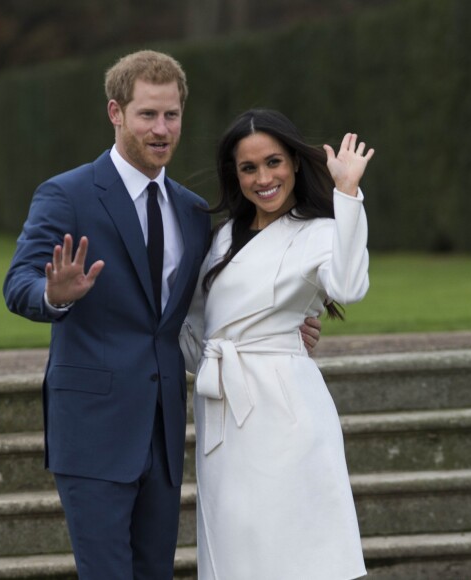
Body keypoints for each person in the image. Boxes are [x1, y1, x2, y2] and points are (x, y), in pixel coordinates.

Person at [3, 51, 322, 579]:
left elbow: (211, 309)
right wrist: (55, 294)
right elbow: (18, 285)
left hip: (164, 430)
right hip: (93, 431)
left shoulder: (193, 210)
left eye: (171, 115)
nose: (161, 128)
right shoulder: (67, 194)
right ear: (116, 113)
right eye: (147, 114)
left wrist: (282, 328)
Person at [180, 109, 374, 579]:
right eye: (249, 168)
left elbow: (347, 287)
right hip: (222, 408)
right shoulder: (222, 238)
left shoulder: (319, 231)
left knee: (293, 543)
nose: (263, 178)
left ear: (293, 163)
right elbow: (198, 336)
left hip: (285, 411)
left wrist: (346, 193)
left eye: (274, 162)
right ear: (235, 174)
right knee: (234, 542)